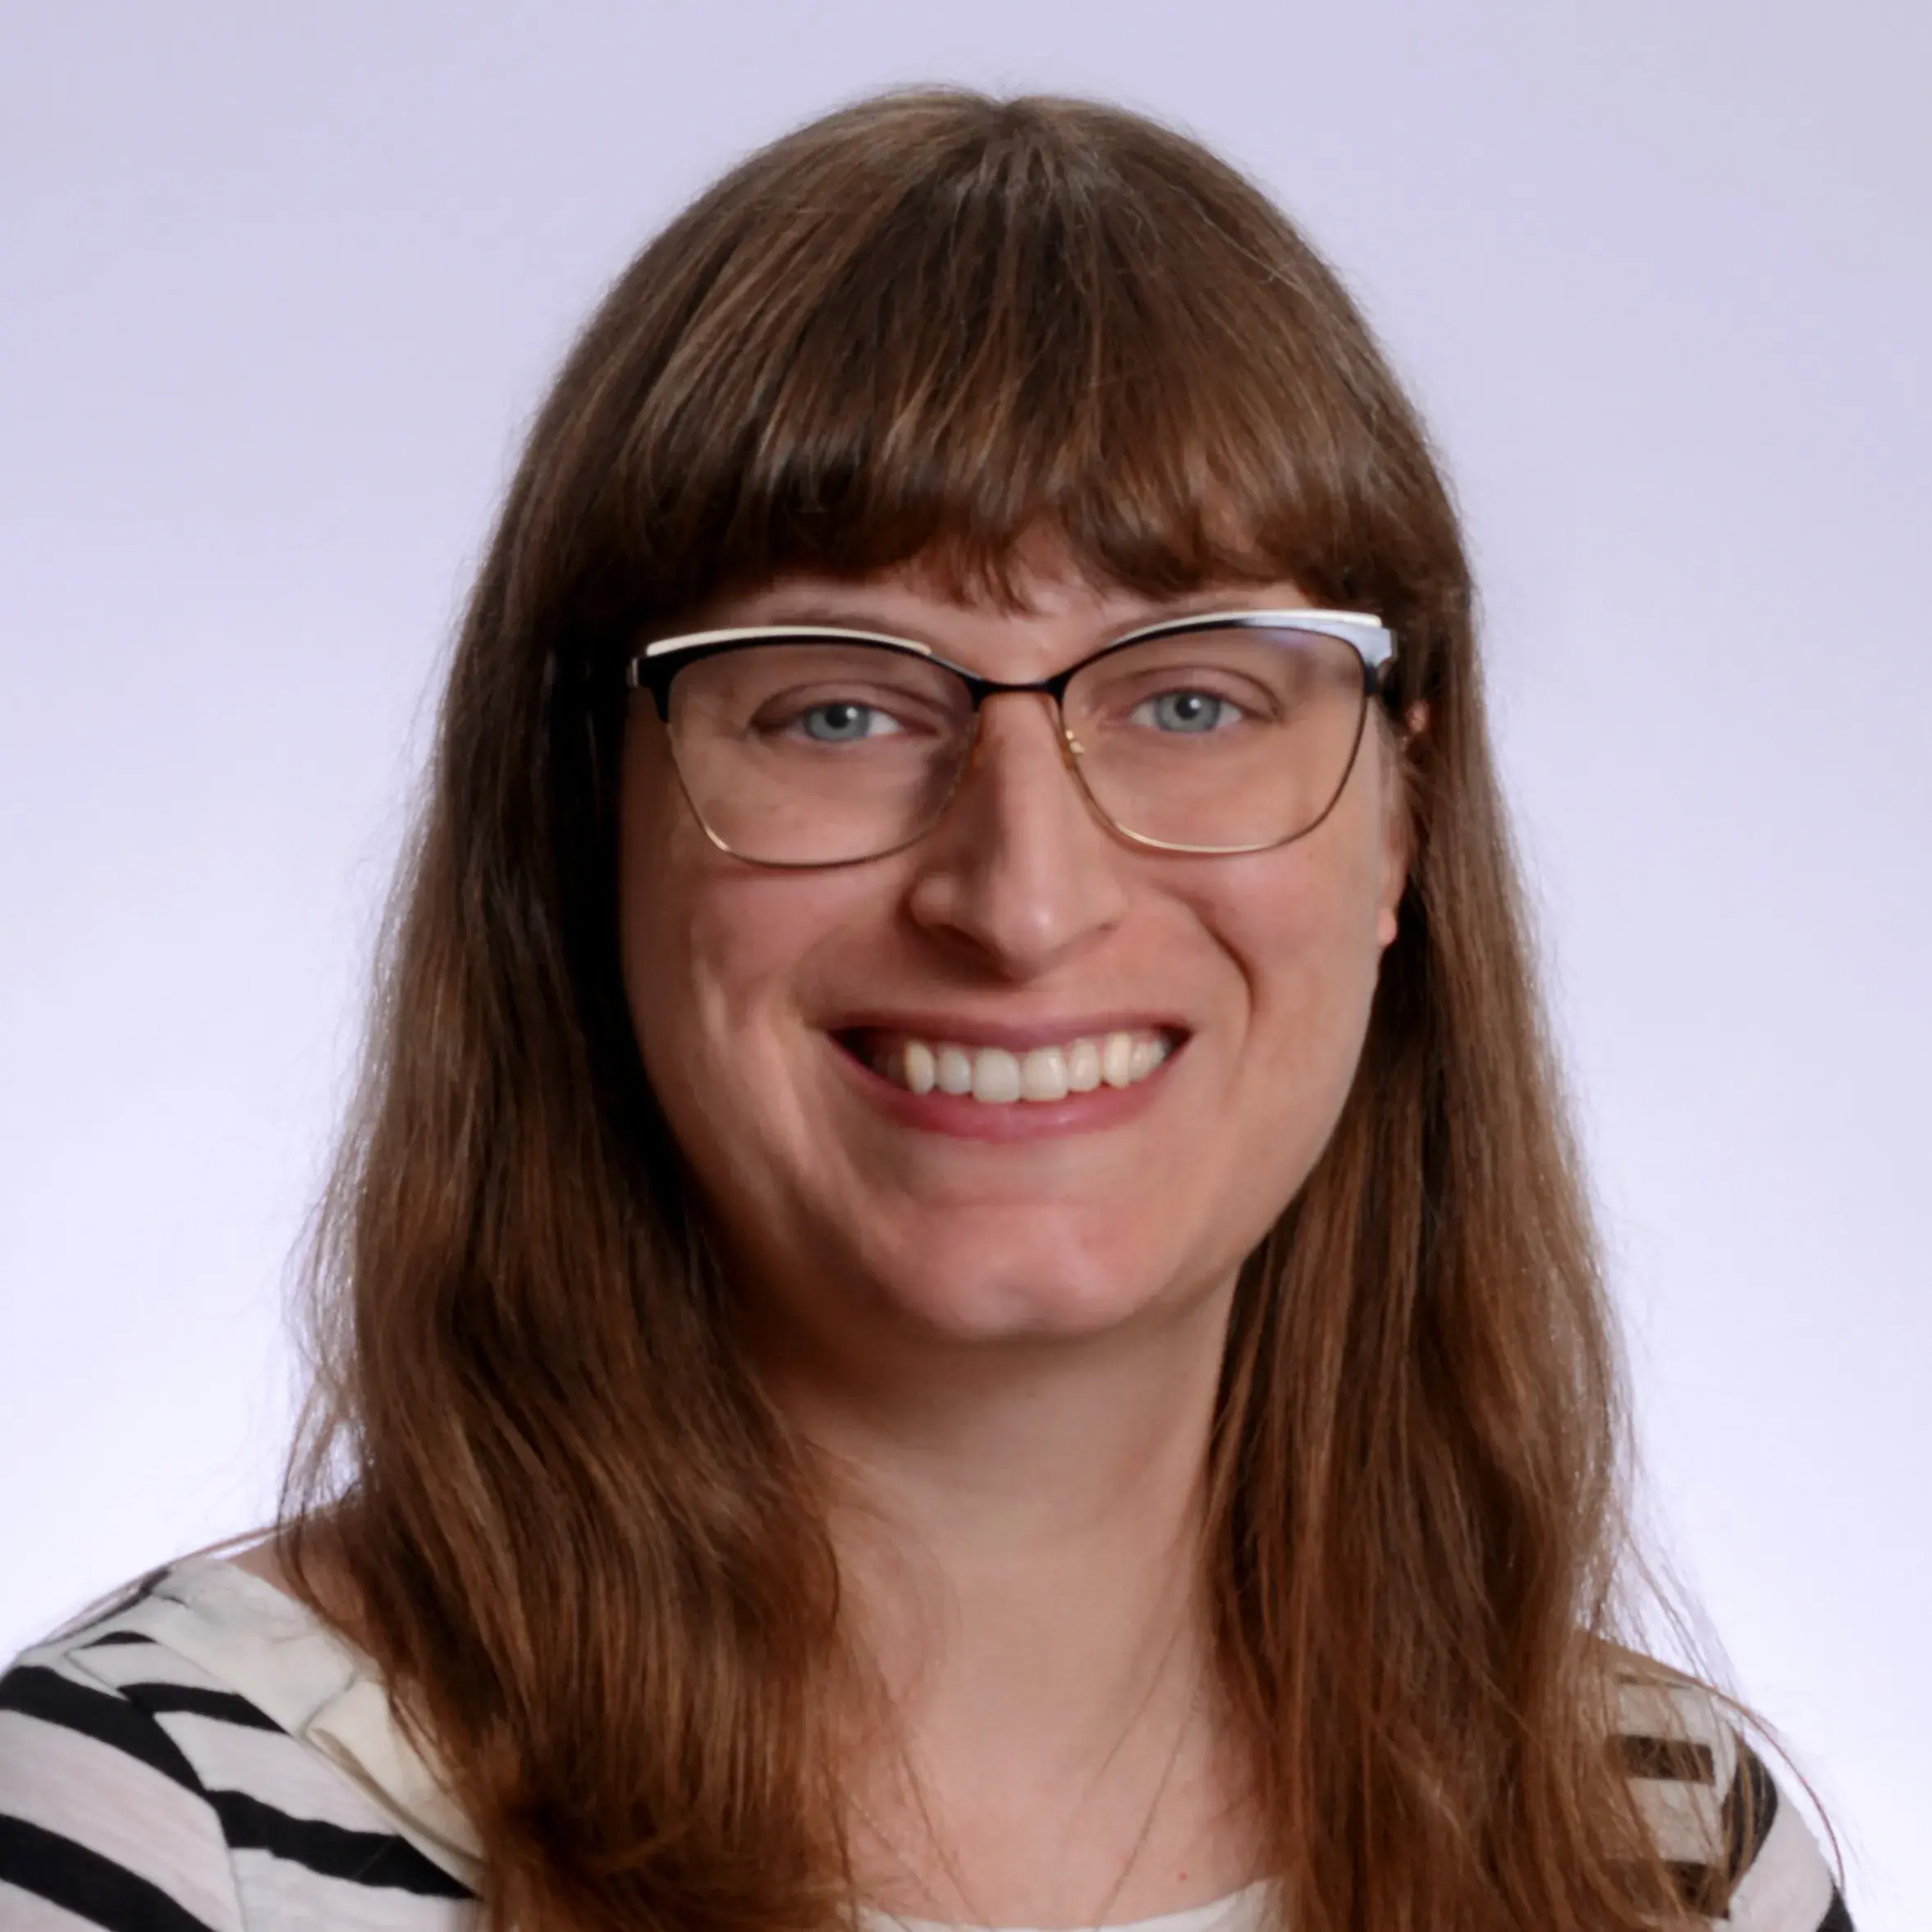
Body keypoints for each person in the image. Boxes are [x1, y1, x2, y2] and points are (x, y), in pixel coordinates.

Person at [0, 88, 1850, 1932]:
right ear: (585, 823)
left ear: (1402, 834)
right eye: (839, 708)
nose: (1022, 900)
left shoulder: (1667, 1858)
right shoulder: (162, 1841)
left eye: (1191, 698)